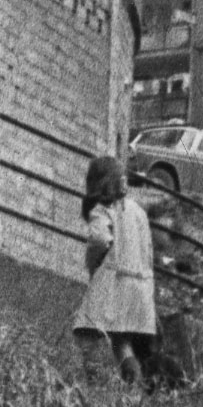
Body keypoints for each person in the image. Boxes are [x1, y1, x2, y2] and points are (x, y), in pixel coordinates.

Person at [74, 154, 159, 386]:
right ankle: (133, 387)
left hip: (114, 280)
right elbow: (148, 250)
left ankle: (95, 385)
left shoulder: (102, 209)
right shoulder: (138, 211)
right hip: (141, 284)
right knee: (120, 339)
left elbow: (99, 241)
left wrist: (93, 267)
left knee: (86, 332)